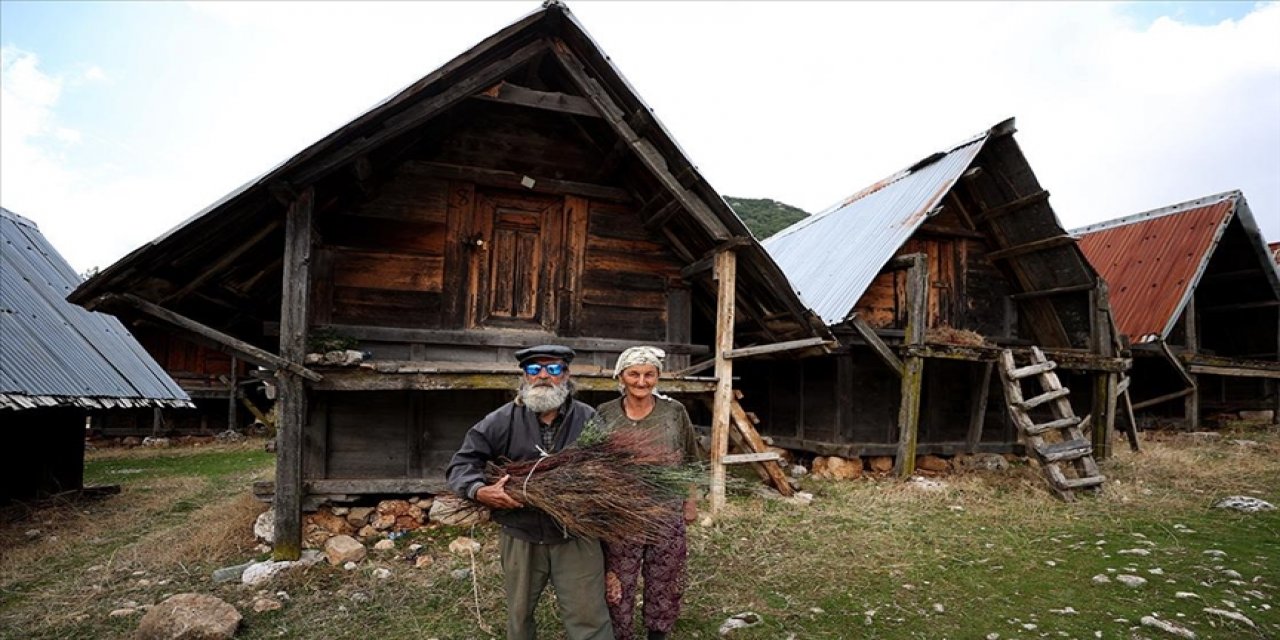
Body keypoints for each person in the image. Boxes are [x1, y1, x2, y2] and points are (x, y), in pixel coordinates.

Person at [446, 345, 614, 640]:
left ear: (567, 374)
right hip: (520, 533)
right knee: (519, 617)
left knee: (589, 618)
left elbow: (610, 469)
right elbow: (462, 463)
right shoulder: (501, 420)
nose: (544, 376)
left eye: (554, 368)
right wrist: (479, 490)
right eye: (535, 370)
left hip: (576, 533)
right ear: (524, 376)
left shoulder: (588, 419)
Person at [594, 346, 699, 640]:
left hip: (666, 512)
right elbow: (593, 464)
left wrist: (689, 502)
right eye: (634, 374)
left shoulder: (674, 412)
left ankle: (658, 632)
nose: (642, 381)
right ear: (621, 376)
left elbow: (690, 460)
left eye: (649, 374)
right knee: (618, 580)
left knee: (664, 578)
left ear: (657, 377)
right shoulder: (605, 414)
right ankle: (620, 634)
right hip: (622, 514)